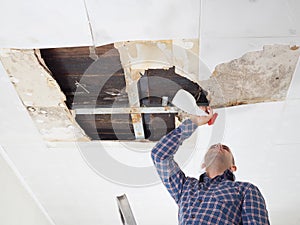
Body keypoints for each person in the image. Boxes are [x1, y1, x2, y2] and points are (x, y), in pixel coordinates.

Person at [151, 107, 270, 225]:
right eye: (213, 147)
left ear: (232, 167)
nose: (218, 146)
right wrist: (194, 122)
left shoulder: (245, 190)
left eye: (225, 148)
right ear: (203, 164)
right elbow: (160, 155)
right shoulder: (186, 187)